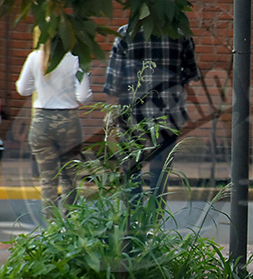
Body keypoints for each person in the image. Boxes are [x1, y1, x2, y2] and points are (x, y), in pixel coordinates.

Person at [104, 13, 201, 199]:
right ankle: (154, 223)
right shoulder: (180, 34)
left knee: (131, 168)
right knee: (161, 168)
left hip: (132, 113)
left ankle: (133, 219)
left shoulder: (125, 33)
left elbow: (113, 79)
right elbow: (191, 72)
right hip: (169, 113)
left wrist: (111, 111)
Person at [16, 40, 94, 218]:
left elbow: (23, 89)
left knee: (47, 179)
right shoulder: (76, 59)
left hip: (42, 121)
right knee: (69, 178)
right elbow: (83, 97)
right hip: (69, 122)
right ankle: (70, 225)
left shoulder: (35, 57)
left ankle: (51, 227)